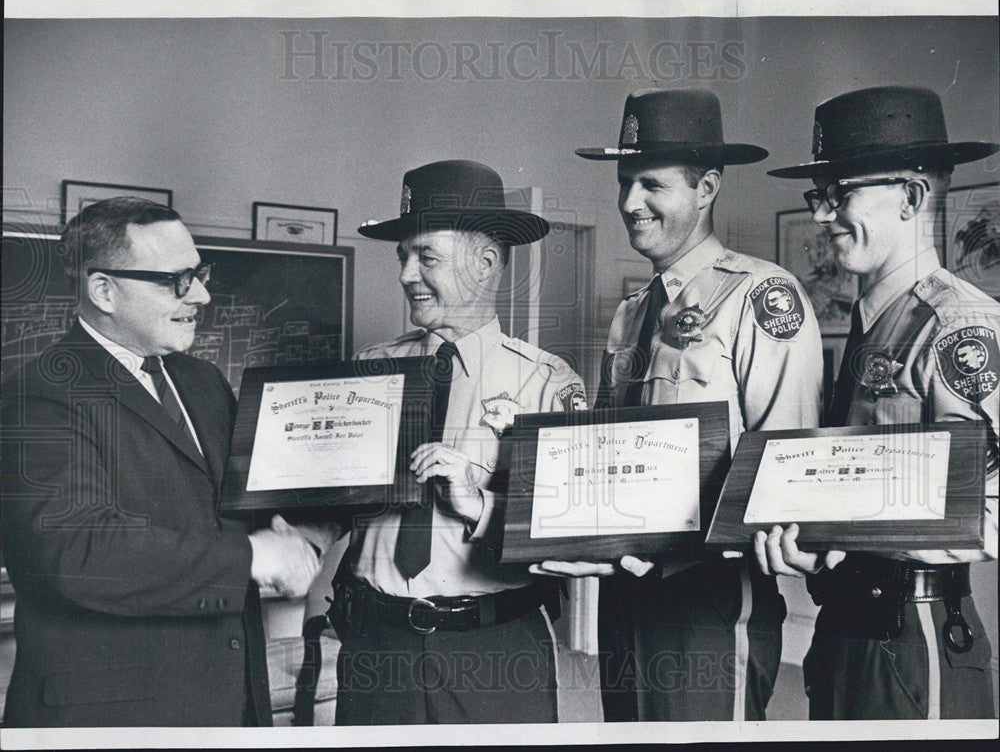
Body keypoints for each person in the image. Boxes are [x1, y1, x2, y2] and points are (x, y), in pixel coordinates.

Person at [536, 88, 823, 722]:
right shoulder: (634, 313)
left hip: (709, 600)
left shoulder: (761, 297)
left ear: (707, 187)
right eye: (624, 183)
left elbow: (785, 467)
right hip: (626, 595)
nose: (629, 203)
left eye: (651, 185)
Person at [0, 197, 322, 727]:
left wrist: (309, 524)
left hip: (229, 707)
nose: (202, 295)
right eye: (177, 280)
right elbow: (75, 549)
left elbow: (239, 507)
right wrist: (255, 557)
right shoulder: (36, 396)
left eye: (199, 274)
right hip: (109, 723)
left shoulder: (203, 382)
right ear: (104, 290)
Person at [760, 85, 999, 720]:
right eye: (821, 196)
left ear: (913, 197)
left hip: (913, 633)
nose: (822, 215)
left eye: (843, 194)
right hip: (846, 629)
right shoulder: (870, 324)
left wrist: (844, 536)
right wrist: (819, 542)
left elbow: (992, 505)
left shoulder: (959, 329)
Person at [326, 159, 587, 725]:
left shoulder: (547, 382)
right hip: (377, 646)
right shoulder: (372, 370)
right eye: (403, 258)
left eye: (427, 258)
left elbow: (574, 533)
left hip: (493, 653)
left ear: (486, 264)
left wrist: (479, 502)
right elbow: (330, 501)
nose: (405, 276)